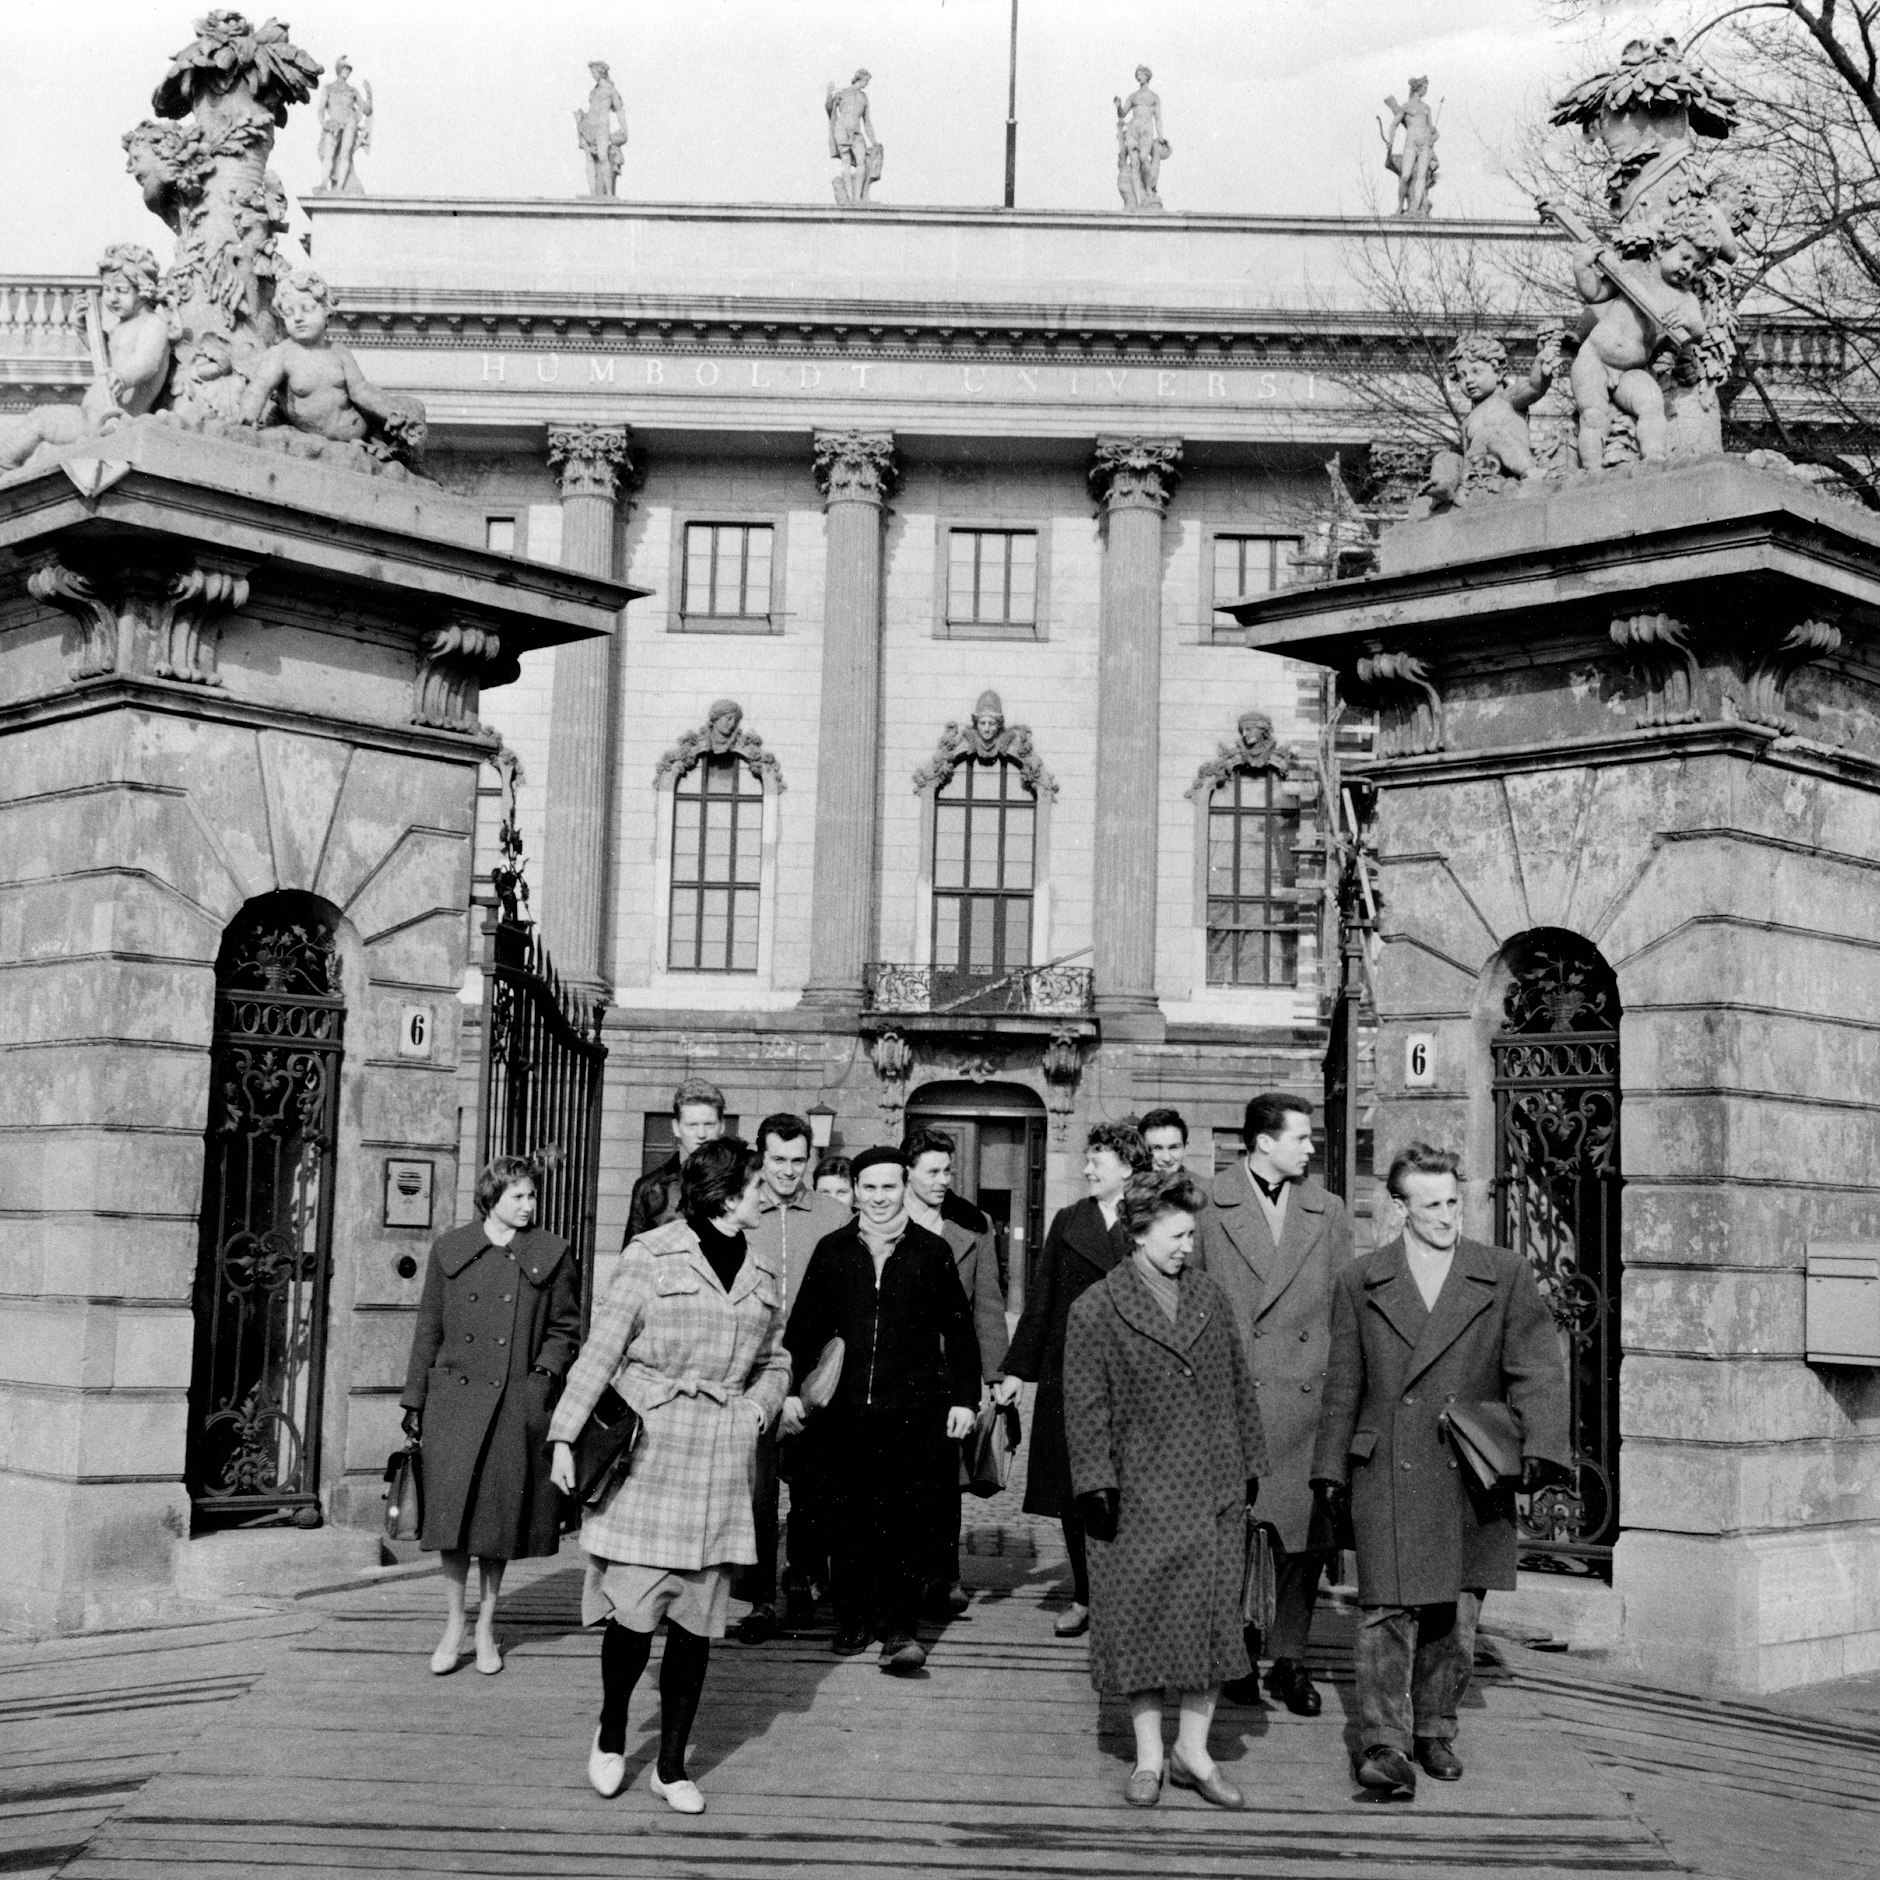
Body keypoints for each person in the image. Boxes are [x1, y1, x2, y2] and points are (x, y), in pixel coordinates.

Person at [1311, 1143, 1571, 1800]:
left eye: (1453, 1201)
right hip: (1388, 1463)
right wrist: (1328, 1468)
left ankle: (1435, 1725)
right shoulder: (1361, 1280)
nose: (1447, 1216)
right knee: (1385, 1608)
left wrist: (1541, 1445)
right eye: (1431, 1205)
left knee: (1456, 1610)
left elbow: (1537, 1368)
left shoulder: (1502, 1273)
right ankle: (1383, 1743)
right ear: (1399, 1207)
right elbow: (1343, 1382)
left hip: (1471, 1466)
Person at [547, 1137, 790, 1814]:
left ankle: (674, 1764)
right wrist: (565, 1433)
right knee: (634, 1611)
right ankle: (614, 1727)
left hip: (718, 1457)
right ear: (725, 1191)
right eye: (755, 1180)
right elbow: (604, 1347)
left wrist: (755, 1411)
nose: (766, 1189)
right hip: (649, 1452)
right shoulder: (651, 1254)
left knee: (696, 1620)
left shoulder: (765, 1274)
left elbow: (776, 1361)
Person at [1063, 1170, 1267, 1810]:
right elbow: (1083, 1403)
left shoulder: (1210, 1295)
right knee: (1142, 1622)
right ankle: (1149, 1755)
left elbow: (1238, 1384)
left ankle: (1193, 1752)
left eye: (1192, 1233)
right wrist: (1094, 1480)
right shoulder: (1096, 1306)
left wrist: (1252, 1461)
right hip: (1137, 1495)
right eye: (1177, 1234)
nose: (1188, 1244)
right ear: (1140, 1232)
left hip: (1211, 1490)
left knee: (1208, 1622)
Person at [781, 1147, 979, 1672]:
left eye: (889, 1187)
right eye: (868, 1187)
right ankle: (852, 1619)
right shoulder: (833, 1249)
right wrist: (792, 1391)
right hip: (844, 1415)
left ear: (905, 1187)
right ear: (857, 1190)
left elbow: (959, 1330)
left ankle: (899, 1631)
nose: (878, 1198)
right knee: (847, 1519)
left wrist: (964, 1398)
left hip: (913, 1413)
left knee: (906, 1524)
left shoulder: (930, 1251)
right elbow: (803, 1329)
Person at [1193, 1092, 1353, 1716]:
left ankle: (1291, 1660)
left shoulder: (1328, 1209)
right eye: (1301, 1138)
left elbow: (1342, 1309)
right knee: (1233, 1534)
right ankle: (1236, 1651)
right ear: (1263, 1142)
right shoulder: (1209, 1204)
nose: (1312, 1147)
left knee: (1302, 1542)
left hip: (1307, 1400)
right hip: (1236, 1397)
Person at [399, 1155, 580, 1678]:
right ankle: (454, 1623)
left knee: (495, 1521)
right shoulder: (451, 1249)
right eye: (517, 1196)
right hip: (452, 1403)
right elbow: (428, 1326)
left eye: (532, 1196)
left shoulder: (551, 1254)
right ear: (491, 1199)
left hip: (513, 1404)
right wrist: (414, 1400)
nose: (529, 1206)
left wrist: (542, 1376)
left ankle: (486, 1626)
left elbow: (566, 1328)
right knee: (451, 1519)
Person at [993, 1119, 1148, 1638]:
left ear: (1127, 1167)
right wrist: (1018, 1371)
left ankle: (1127, 1597)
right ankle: (1085, 1594)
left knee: (1133, 1488)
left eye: (1096, 1161)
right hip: (1072, 1375)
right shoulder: (1067, 1220)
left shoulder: (1153, 1217)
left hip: (1136, 1379)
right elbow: (1040, 1301)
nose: (1086, 1169)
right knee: (1074, 1489)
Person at [734, 1113, 853, 1640]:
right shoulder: (740, 1207)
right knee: (756, 1491)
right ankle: (757, 1598)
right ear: (760, 1156)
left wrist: (811, 1384)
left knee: (815, 1488)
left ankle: (802, 1575)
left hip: (813, 1377)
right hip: (751, 1372)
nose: (787, 1171)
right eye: (777, 1159)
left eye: (797, 1160)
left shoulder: (832, 1213)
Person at [902, 1125, 1006, 1616]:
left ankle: (945, 1576)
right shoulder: (886, 1216)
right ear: (908, 1173)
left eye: (948, 1170)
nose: (943, 1180)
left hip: (949, 1372)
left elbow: (987, 1304)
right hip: (896, 1369)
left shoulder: (973, 1224)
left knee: (946, 1479)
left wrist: (996, 1377)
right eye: (933, 1172)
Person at [626, 1079, 726, 1245]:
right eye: (692, 1125)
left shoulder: (739, 1180)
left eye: (709, 1124)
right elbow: (631, 1258)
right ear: (676, 1127)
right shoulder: (649, 1188)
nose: (701, 1134)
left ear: (722, 1126)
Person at [1139, 1108, 1189, 1176]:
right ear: (1141, 1149)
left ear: (1185, 1149)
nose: (1167, 1158)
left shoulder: (1203, 1186)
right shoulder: (1129, 1185)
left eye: (1173, 1147)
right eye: (1157, 1148)